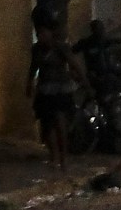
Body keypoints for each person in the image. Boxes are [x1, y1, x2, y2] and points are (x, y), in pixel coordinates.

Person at [29, 20, 86, 167]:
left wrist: (85, 83)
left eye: (43, 33)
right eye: (38, 34)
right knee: (47, 125)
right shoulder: (36, 50)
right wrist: (29, 83)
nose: (40, 36)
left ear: (50, 33)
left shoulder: (61, 48)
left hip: (61, 89)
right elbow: (33, 67)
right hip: (44, 89)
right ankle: (54, 156)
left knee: (60, 123)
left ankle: (63, 157)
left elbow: (75, 65)